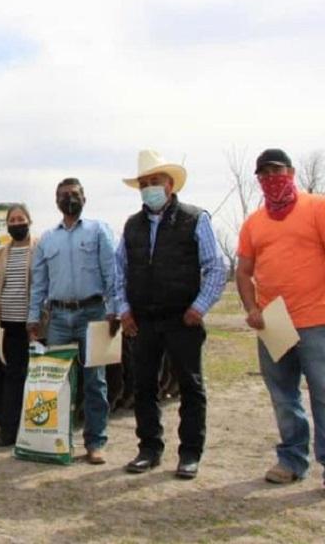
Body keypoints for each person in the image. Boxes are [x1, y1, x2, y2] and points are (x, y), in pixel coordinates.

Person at [116, 150, 227, 479]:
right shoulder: (132, 226)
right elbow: (118, 272)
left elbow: (215, 268)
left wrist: (200, 306)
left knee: (190, 386)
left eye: (155, 181)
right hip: (143, 320)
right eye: (144, 183)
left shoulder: (195, 218)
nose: (149, 187)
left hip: (182, 319)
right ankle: (149, 448)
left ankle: (190, 452)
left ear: (170, 184)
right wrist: (123, 310)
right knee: (144, 386)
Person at [235, 149, 325, 487]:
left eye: (276, 171)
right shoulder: (253, 223)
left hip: (317, 319)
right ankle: (291, 460)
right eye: (264, 174)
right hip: (274, 324)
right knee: (284, 396)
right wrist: (251, 309)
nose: (271, 179)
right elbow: (244, 272)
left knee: (323, 394)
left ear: (291, 171)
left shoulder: (317, 207)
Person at [28, 178, 118, 464]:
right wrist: (33, 318)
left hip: (93, 313)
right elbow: (39, 282)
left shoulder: (98, 231)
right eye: (64, 195)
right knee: (58, 382)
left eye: (74, 194)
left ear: (84, 198)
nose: (69, 199)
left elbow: (112, 274)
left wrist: (114, 309)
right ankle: (58, 441)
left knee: (94, 381)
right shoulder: (47, 239)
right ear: (56, 201)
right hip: (58, 318)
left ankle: (95, 442)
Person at [0, 204, 38, 447]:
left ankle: (36, 429)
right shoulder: (1, 253)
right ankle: (10, 429)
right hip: (6, 325)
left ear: (29, 221)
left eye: (20, 218)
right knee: (12, 377)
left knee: (34, 377)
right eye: (12, 220)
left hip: (33, 326)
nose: (16, 223)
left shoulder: (40, 249)